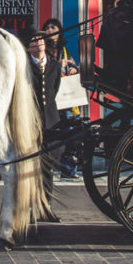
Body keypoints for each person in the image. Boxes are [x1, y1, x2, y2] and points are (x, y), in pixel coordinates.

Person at [24, 30, 61, 214]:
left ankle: (46, 207)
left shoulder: (54, 65)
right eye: (33, 40)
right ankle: (29, 206)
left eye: (40, 40)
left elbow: (54, 89)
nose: (38, 43)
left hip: (51, 119)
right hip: (30, 119)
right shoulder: (23, 65)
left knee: (48, 166)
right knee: (30, 165)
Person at [40, 17, 81, 178]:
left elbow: (74, 65)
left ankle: (68, 169)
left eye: (54, 27)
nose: (50, 30)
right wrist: (58, 65)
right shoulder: (43, 50)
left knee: (70, 133)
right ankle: (47, 165)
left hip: (66, 99)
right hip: (50, 98)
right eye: (48, 27)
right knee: (50, 133)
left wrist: (73, 69)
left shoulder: (64, 51)